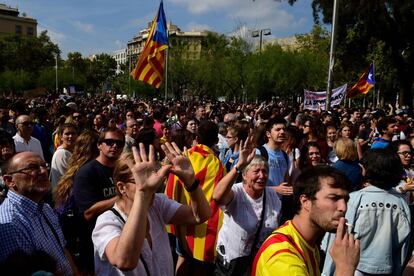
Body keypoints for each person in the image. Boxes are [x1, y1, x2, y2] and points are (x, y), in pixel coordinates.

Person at [92, 142, 211, 275]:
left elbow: (200, 215)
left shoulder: (157, 204)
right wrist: (143, 194)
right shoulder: (107, 222)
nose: (152, 185)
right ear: (121, 187)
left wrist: (191, 182)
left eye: (153, 177)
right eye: (139, 181)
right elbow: (124, 262)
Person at [252, 166, 359, 276]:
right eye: (333, 198)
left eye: (345, 200)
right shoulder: (282, 258)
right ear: (305, 201)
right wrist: (345, 269)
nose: (343, 207)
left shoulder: (307, 241)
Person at [322, 149, 411, 275]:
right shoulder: (401, 203)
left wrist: (327, 272)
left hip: (354, 268)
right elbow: (402, 246)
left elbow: (337, 239)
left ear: (368, 169)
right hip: (386, 269)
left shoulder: (354, 199)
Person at [0, 152, 77, 276]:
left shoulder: (45, 208)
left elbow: (62, 249)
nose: (43, 171)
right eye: (32, 168)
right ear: (9, 181)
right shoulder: (11, 224)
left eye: (43, 165)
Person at [213, 139, 282, 275]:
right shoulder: (237, 192)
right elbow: (217, 196)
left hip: (258, 260)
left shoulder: (272, 195)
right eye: (256, 172)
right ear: (244, 175)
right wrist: (238, 166)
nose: (261, 176)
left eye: (265, 171)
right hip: (232, 263)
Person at [165, 121, 225, 276]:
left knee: (182, 256)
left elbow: (171, 187)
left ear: (196, 138)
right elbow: (218, 196)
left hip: (180, 218)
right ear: (216, 141)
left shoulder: (183, 157)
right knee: (198, 266)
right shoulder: (216, 164)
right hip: (203, 226)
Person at [72, 127, 124, 273]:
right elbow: (88, 212)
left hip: (119, 236)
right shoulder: (87, 172)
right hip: (94, 242)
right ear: (99, 145)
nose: (114, 146)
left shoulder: (122, 170)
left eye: (119, 144)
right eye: (109, 142)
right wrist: (121, 198)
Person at [54, 130, 99, 271]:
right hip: (80, 234)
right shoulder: (86, 173)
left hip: (72, 235)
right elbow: (88, 212)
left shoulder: (74, 170)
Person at [255, 117, 292, 196]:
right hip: (262, 203)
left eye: (284, 129)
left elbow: (286, 180)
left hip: (279, 205)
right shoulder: (259, 153)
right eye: (278, 129)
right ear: (268, 134)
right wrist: (275, 189)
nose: (282, 132)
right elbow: (251, 183)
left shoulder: (285, 156)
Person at [50, 123, 78, 189]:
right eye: (67, 134)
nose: (70, 136)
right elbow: (69, 178)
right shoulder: (62, 153)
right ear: (61, 137)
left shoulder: (72, 151)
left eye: (73, 133)